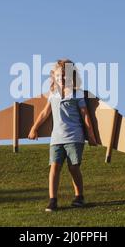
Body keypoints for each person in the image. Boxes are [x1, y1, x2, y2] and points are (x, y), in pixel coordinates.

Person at [28, 58, 97, 212]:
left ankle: (79, 197)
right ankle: (52, 200)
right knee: (54, 167)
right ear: (54, 76)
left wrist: (90, 135)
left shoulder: (77, 93)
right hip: (56, 138)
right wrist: (34, 128)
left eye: (65, 75)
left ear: (72, 76)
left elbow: (85, 115)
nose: (62, 78)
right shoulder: (53, 93)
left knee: (73, 167)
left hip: (75, 137)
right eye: (59, 76)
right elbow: (45, 112)